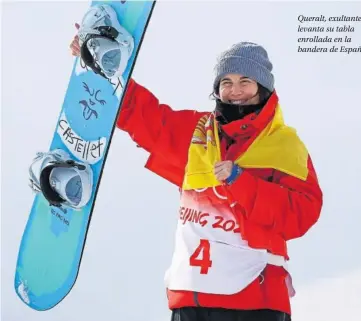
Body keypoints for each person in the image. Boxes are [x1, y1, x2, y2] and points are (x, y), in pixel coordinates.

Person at [70, 24, 323, 321]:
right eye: (225, 82)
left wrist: (241, 182)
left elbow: (301, 215)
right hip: (191, 297)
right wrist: (104, 70)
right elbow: (148, 119)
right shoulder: (199, 134)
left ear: (263, 88)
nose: (235, 90)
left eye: (245, 81)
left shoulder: (285, 145)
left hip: (257, 301)